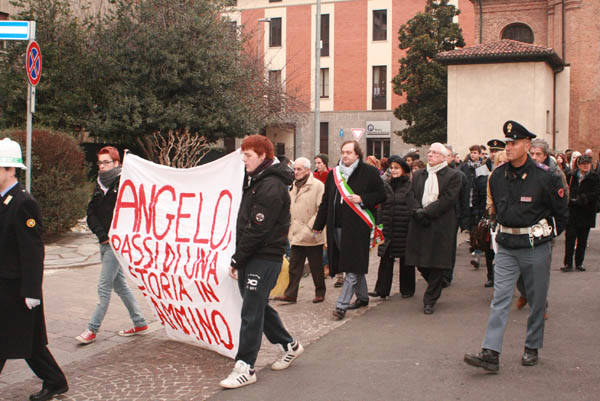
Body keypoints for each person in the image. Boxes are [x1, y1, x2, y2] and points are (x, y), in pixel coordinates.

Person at [464, 120, 568, 372]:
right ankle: (491, 352)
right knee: (500, 299)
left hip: (535, 247)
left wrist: (546, 237)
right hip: (507, 246)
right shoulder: (497, 175)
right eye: (507, 143)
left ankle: (531, 346)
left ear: (527, 145)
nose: (509, 147)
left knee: (536, 298)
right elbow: (497, 209)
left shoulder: (546, 177)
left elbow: (562, 213)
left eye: (514, 143)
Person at [220, 135, 303, 389]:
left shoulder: (271, 186)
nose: (243, 159)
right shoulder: (256, 179)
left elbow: (257, 229)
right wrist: (240, 256)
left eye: (248, 155)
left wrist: (237, 257)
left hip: (265, 256)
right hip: (253, 255)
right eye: (243, 154)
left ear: (263, 156)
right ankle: (290, 344)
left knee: (251, 312)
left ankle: (246, 366)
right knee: (256, 305)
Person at [0, 138, 69, 401]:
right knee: (25, 341)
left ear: (10, 170)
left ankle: (55, 381)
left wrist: (31, 291)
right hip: (5, 285)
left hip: (16, 287)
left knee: (16, 339)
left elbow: (32, 252)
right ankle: (55, 381)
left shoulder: (23, 202)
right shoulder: (5, 200)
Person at [77, 146, 148, 344]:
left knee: (104, 287)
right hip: (105, 241)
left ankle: (92, 329)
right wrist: (102, 235)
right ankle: (139, 321)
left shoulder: (124, 184)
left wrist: (114, 236)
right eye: (100, 162)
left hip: (116, 244)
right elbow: (91, 212)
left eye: (107, 162)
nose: (102, 166)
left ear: (117, 163)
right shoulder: (100, 184)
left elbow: (131, 212)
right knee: (120, 285)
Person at [313, 140, 386, 320]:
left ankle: (341, 306)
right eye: (343, 152)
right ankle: (362, 297)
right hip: (336, 226)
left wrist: (362, 198)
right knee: (352, 262)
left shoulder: (369, 172)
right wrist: (318, 225)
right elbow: (326, 202)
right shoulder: (334, 174)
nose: (345, 155)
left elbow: (382, 195)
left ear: (357, 154)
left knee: (352, 265)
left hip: (358, 226)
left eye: (349, 152)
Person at [405, 143, 462, 314]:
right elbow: (411, 195)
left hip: (441, 223)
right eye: (429, 152)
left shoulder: (453, 175)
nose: (430, 155)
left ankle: (430, 300)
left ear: (444, 157)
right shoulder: (419, 174)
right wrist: (417, 211)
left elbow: (448, 199)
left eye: (435, 153)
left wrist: (426, 212)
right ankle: (436, 284)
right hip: (419, 222)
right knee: (419, 261)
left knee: (437, 262)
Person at [273, 157, 326, 303]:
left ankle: (320, 292)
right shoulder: (293, 186)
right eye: (294, 169)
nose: (295, 172)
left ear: (307, 170)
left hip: (312, 235)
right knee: (294, 267)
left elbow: (321, 210)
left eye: (299, 169)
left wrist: (309, 229)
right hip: (295, 233)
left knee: (316, 267)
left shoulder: (318, 186)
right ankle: (291, 294)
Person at [369, 156, 415, 299]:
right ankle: (381, 289)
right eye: (392, 168)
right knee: (386, 258)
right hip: (388, 227)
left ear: (403, 170)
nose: (394, 171)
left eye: (397, 168)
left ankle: (407, 290)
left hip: (404, 227)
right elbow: (381, 206)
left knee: (406, 260)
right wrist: (379, 224)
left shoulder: (409, 186)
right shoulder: (386, 185)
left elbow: (413, 205)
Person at [561, 155, 600, 272]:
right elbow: (566, 189)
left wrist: (583, 198)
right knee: (570, 238)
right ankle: (568, 263)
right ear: (578, 165)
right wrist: (571, 199)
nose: (586, 166)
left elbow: (596, 193)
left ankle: (579, 263)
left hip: (586, 212)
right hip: (572, 211)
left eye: (587, 163)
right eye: (583, 164)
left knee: (582, 240)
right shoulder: (571, 176)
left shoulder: (595, 177)